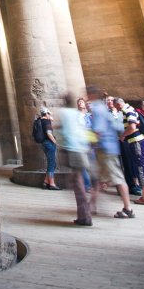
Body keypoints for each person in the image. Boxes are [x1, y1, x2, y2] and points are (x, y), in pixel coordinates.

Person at [85, 86, 135, 219]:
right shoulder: (103, 108)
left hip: (105, 148)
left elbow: (98, 130)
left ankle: (128, 208)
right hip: (109, 146)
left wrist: (89, 143)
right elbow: (116, 126)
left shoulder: (98, 108)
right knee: (99, 178)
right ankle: (91, 205)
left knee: (117, 178)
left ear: (91, 95)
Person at [114, 97, 144, 206]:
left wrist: (123, 136)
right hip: (141, 141)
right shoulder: (131, 109)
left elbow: (132, 127)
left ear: (118, 104)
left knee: (141, 168)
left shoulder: (127, 110)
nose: (117, 109)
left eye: (116, 107)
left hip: (137, 142)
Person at [58, 94, 92, 225]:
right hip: (81, 149)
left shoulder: (64, 113)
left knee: (77, 183)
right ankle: (85, 213)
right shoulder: (77, 114)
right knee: (79, 181)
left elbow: (65, 132)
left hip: (72, 150)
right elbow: (83, 130)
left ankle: (85, 216)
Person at [39, 107, 60, 190]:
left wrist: (49, 116)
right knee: (52, 164)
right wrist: (55, 142)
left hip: (44, 143)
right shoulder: (47, 122)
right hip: (49, 143)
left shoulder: (40, 120)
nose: (51, 115)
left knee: (51, 163)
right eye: (49, 114)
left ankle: (45, 182)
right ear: (46, 114)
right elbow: (49, 133)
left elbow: (52, 119)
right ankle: (52, 184)